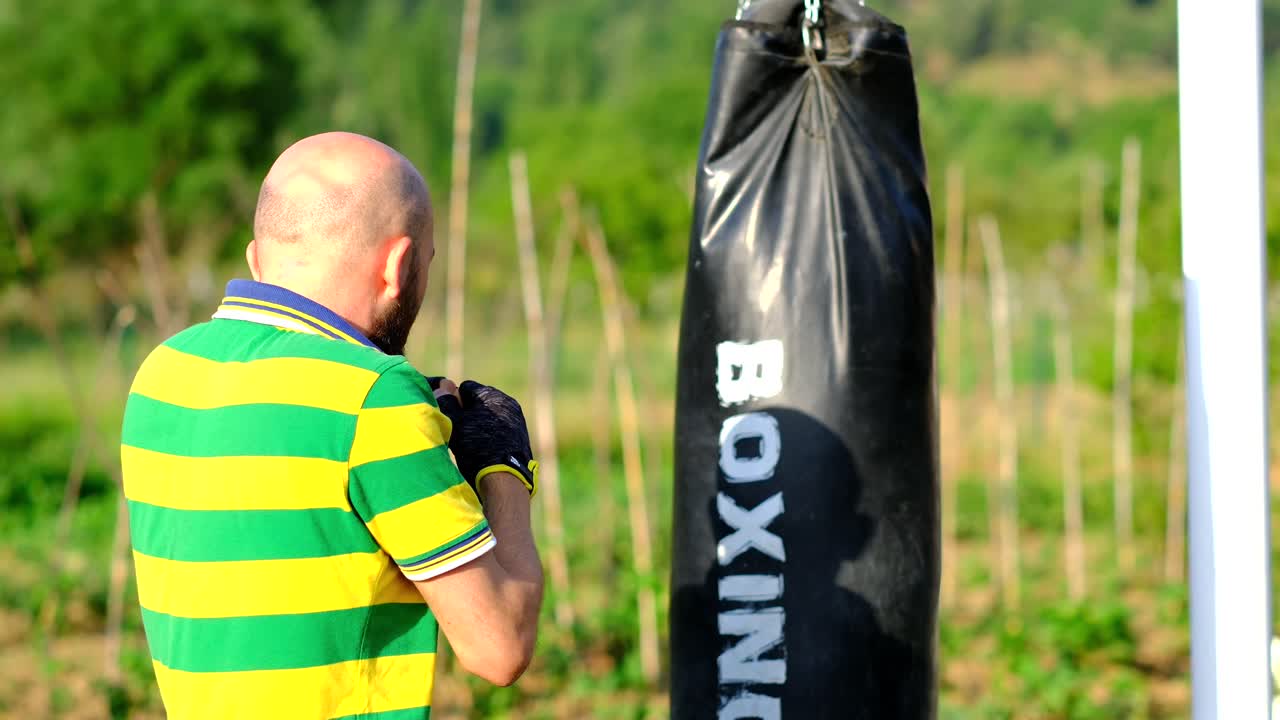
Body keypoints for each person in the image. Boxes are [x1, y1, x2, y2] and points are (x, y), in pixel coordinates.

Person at [119, 131, 544, 719]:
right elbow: (499, 647)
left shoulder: (163, 372)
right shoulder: (373, 396)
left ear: (256, 257)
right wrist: (504, 468)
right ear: (398, 266)